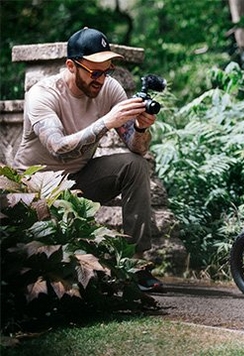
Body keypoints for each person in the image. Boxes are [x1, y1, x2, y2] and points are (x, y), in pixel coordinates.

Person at [13, 27, 162, 292]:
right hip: (35, 189)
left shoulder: (108, 87)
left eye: (107, 71)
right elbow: (57, 147)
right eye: (95, 72)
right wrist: (105, 122)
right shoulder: (43, 94)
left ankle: (136, 266)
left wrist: (141, 128)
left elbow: (137, 148)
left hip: (78, 181)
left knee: (135, 165)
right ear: (71, 66)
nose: (102, 79)